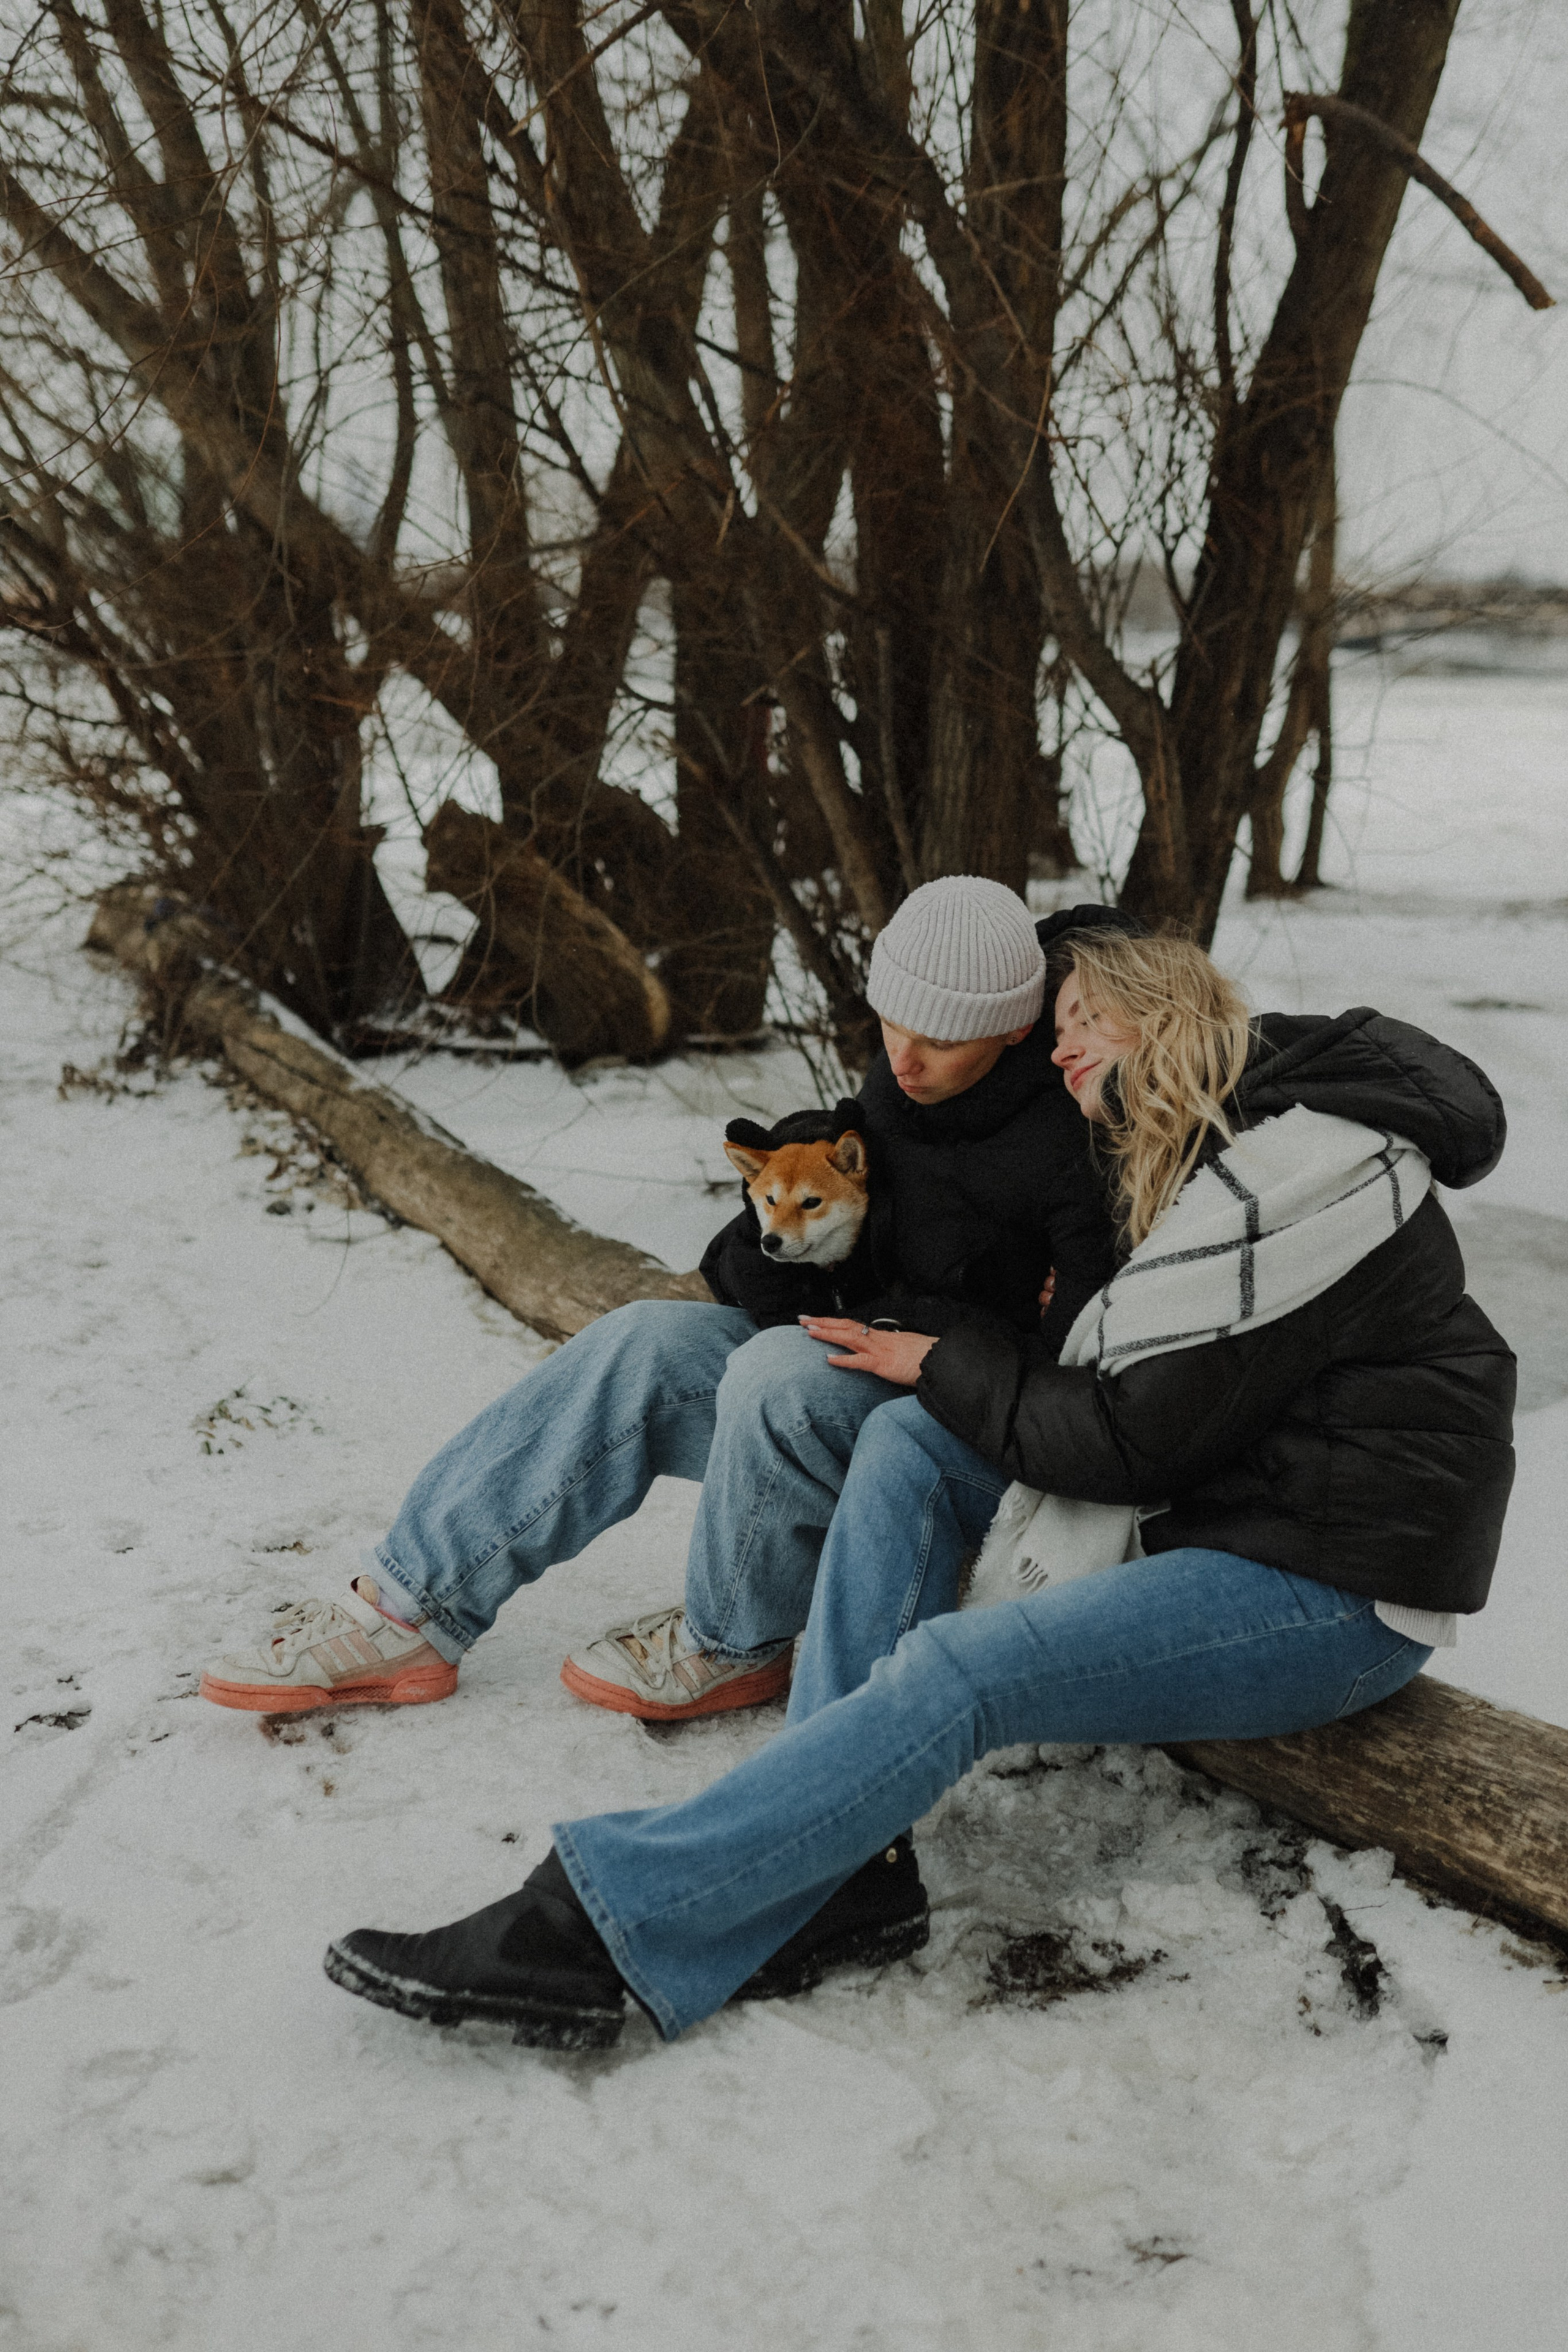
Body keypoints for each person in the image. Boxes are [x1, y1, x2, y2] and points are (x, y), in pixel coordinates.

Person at [320, 930, 1517, 2049]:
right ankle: (840, 1872)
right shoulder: (1199, 1157)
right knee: (904, 1450)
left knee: (959, 1674)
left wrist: (943, 1358)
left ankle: (610, 1921)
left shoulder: (1291, 1186)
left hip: (1328, 1585)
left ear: (1162, 1023)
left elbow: (1126, 1444)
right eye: (1049, 1023)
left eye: (1083, 1019)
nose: (1055, 1046)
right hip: (1214, 1509)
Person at [198, 878, 1125, 1724]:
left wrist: (940, 1332)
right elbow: (774, 1267)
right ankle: (410, 1609)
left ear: (1013, 1030)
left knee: (773, 1374)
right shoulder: (903, 1082)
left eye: (938, 1039)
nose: (904, 1061)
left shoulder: (1083, 1128)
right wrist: (788, 1215)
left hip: (957, 1429)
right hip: (857, 1354)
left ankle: (733, 1644)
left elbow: (1080, 1374)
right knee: (645, 1339)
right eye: (892, 1024)